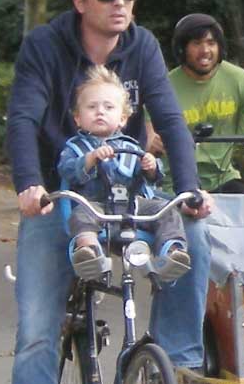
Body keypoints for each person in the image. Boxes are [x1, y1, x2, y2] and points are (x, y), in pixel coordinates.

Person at [5, 0, 213, 384]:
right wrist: (30, 185)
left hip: (124, 196)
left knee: (194, 236)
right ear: (80, 2)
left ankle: (172, 367)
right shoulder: (45, 46)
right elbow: (22, 119)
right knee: (37, 336)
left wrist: (189, 188)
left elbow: (169, 121)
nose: (121, 3)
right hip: (62, 199)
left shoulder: (141, 46)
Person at [58, 65, 191, 282]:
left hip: (132, 205)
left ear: (122, 118)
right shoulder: (75, 148)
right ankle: (89, 251)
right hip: (96, 205)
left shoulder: (131, 147)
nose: (100, 111)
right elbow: (67, 170)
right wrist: (90, 159)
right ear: (78, 118)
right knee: (80, 214)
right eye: (92, 107)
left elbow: (152, 179)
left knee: (166, 210)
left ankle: (171, 252)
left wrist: (151, 166)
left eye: (108, 107)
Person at [147, 13, 244, 193]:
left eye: (211, 43)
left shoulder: (238, 79)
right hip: (175, 183)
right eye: (197, 43)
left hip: (223, 178)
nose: (205, 50)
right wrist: (153, 145)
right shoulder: (163, 86)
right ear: (182, 49)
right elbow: (148, 143)